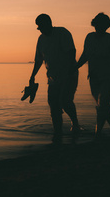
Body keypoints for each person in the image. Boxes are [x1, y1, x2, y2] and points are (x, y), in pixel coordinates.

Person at [28, 14, 81, 144]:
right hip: (52, 77)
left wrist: (69, 70)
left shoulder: (62, 33)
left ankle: (75, 125)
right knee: (53, 104)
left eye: (40, 26)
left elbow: (71, 51)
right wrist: (32, 76)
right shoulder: (41, 39)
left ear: (49, 23)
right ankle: (58, 131)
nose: (39, 29)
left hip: (69, 74)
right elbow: (39, 59)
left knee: (65, 101)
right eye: (38, 27)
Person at [76, 12, 110, 139]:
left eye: (103, 24)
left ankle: (97, 132)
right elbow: (85, 55)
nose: (100, 27)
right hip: (94, 77)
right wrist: (75, 67)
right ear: (94, 24)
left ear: (107, 26)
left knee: (102, 103)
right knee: (103, 105)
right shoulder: (89, 37)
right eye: (98, 24)